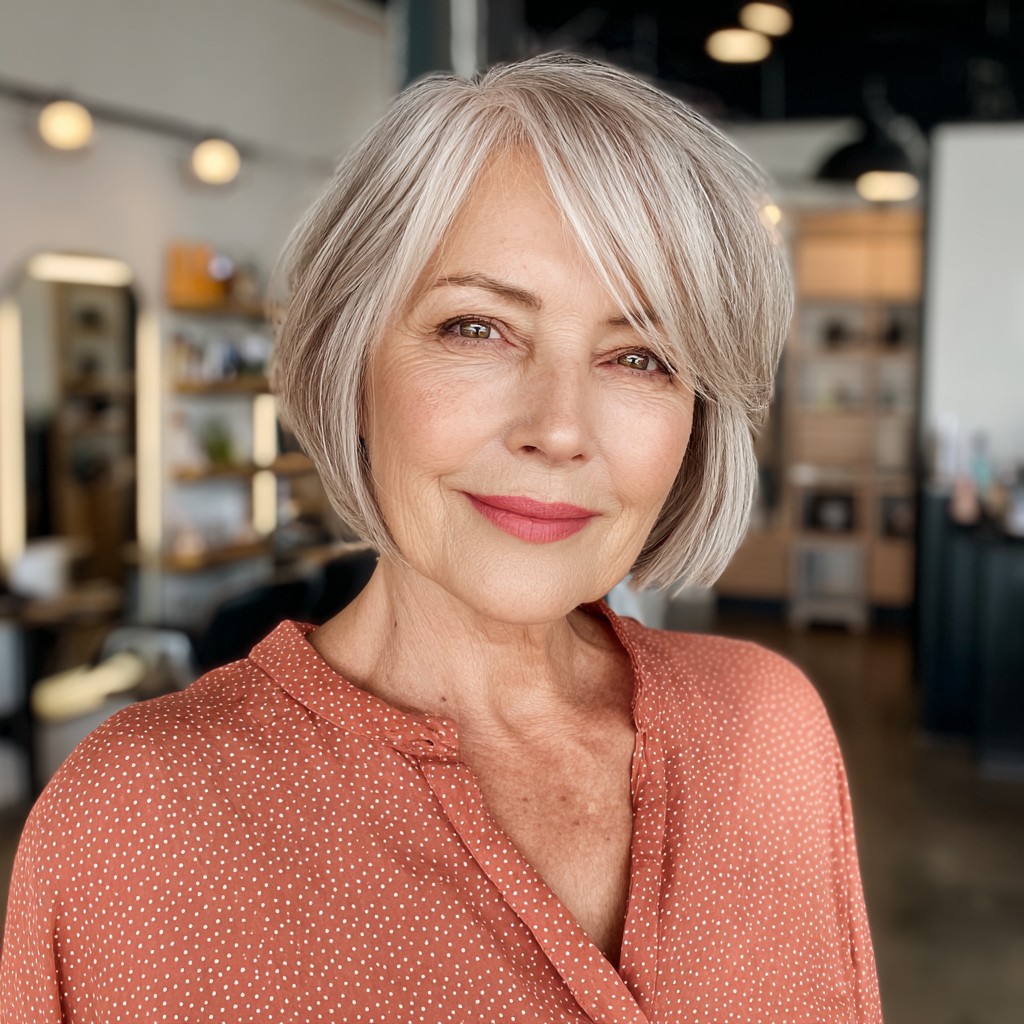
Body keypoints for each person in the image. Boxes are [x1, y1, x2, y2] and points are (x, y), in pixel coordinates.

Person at [1, 53, 882, 1023]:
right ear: (352, 362)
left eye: (639, 356)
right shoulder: (133, 827)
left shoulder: (771, 734)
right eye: (477, 328)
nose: (559, 428)